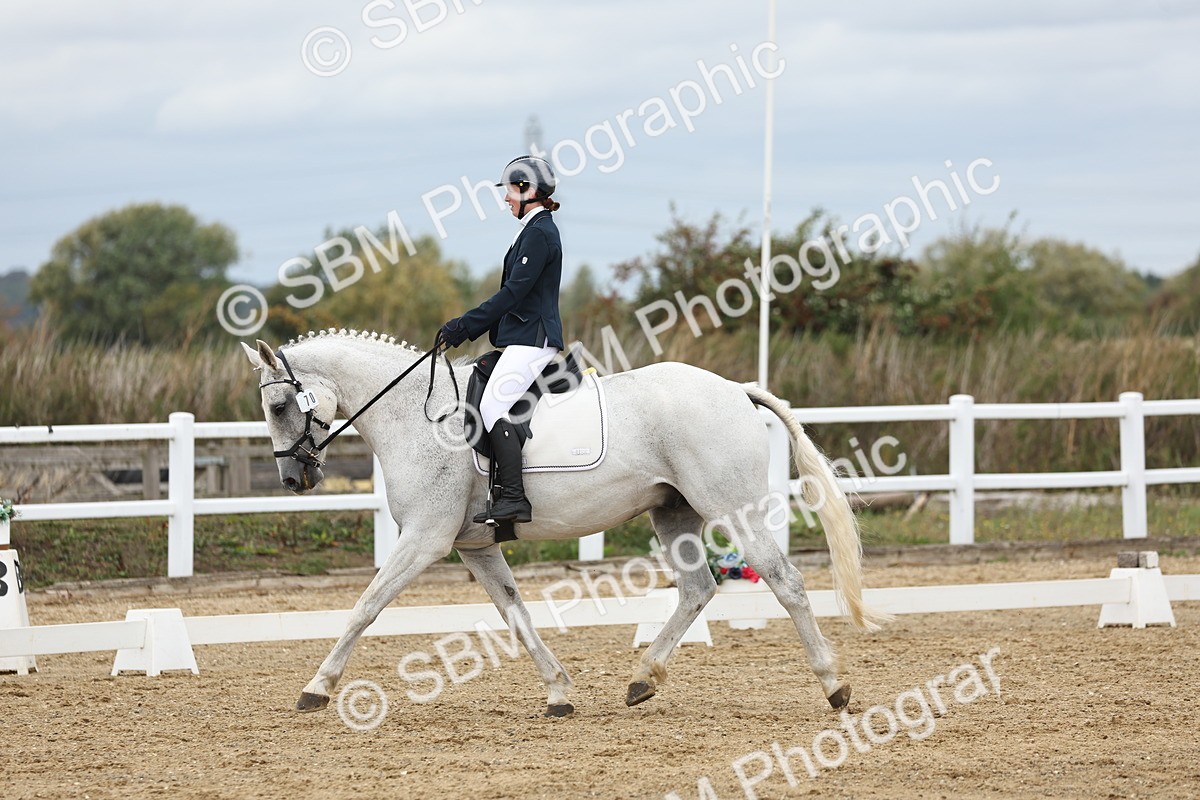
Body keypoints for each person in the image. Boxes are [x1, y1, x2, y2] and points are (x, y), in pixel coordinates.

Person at [439, 155, 564, 524]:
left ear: (527, 190)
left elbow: (512, 294)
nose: (505, 198)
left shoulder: (540, 232)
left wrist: (465, 327)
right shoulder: (531, 229)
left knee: (493, 408)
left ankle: (514, 498)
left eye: (510, 190)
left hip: (534, 338)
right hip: (523, 337)